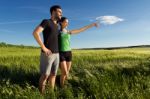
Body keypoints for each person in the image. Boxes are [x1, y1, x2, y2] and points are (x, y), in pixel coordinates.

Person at [59, 17, 98, 87]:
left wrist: (91, 25)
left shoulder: (69, 32)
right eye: (65, 22)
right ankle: (61, 87)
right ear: (61, 23)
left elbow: (81, 30)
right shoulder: (58, 32)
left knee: (67, 73)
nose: (67, 23)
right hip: (61, 53)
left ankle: (65, 85)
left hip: (69, 53)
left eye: (68, 22)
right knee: (64, 72)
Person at [33, 5, 62, 94]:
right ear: (53, 12)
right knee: (45, 75)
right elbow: (35, 33)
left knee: (53, 75)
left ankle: (51, 93)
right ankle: (41, 94)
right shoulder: (46, 21)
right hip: (48, 54)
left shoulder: (58, 26)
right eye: (59, 12)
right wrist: (44, 47)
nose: (61, 14)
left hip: (57, 54)